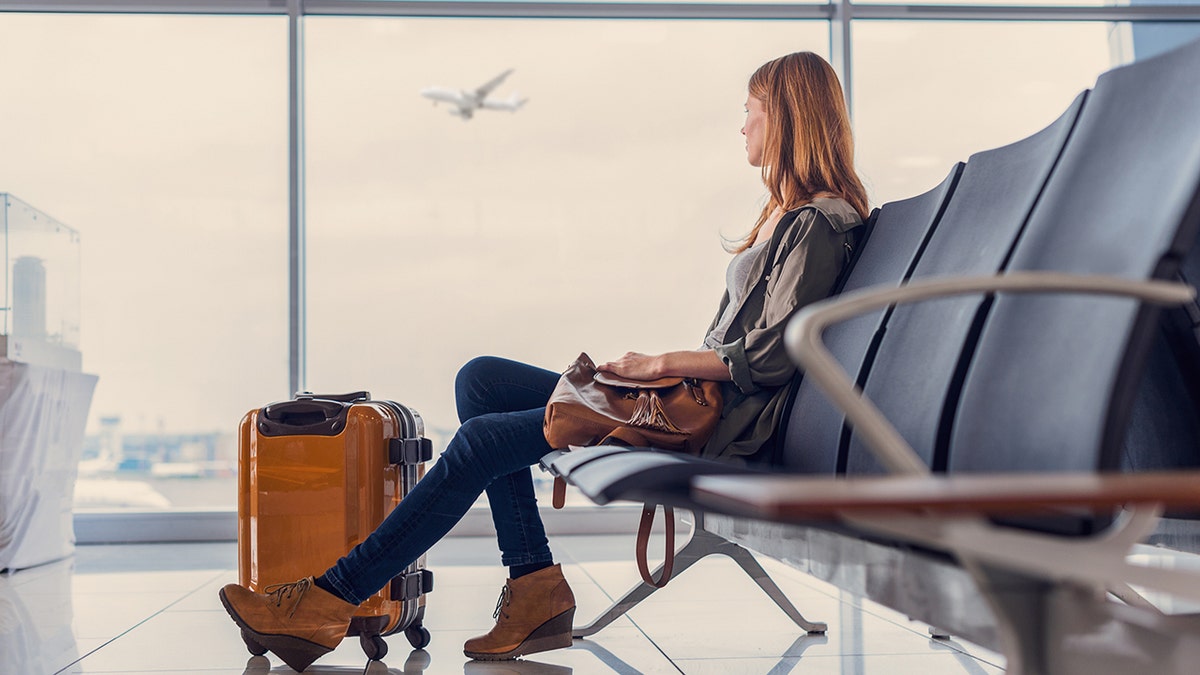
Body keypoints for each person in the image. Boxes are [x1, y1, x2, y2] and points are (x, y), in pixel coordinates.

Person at [218, 50, 869, 672]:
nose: (743, 122)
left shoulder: (818, 223)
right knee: (482, 381)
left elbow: (770, 357)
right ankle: (534, 583)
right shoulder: (791, 218)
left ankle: (328, 600)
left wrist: (653, 365)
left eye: (753, 107)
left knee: (479, 441)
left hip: (717, 427)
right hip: (693, 406)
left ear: (785, 117)